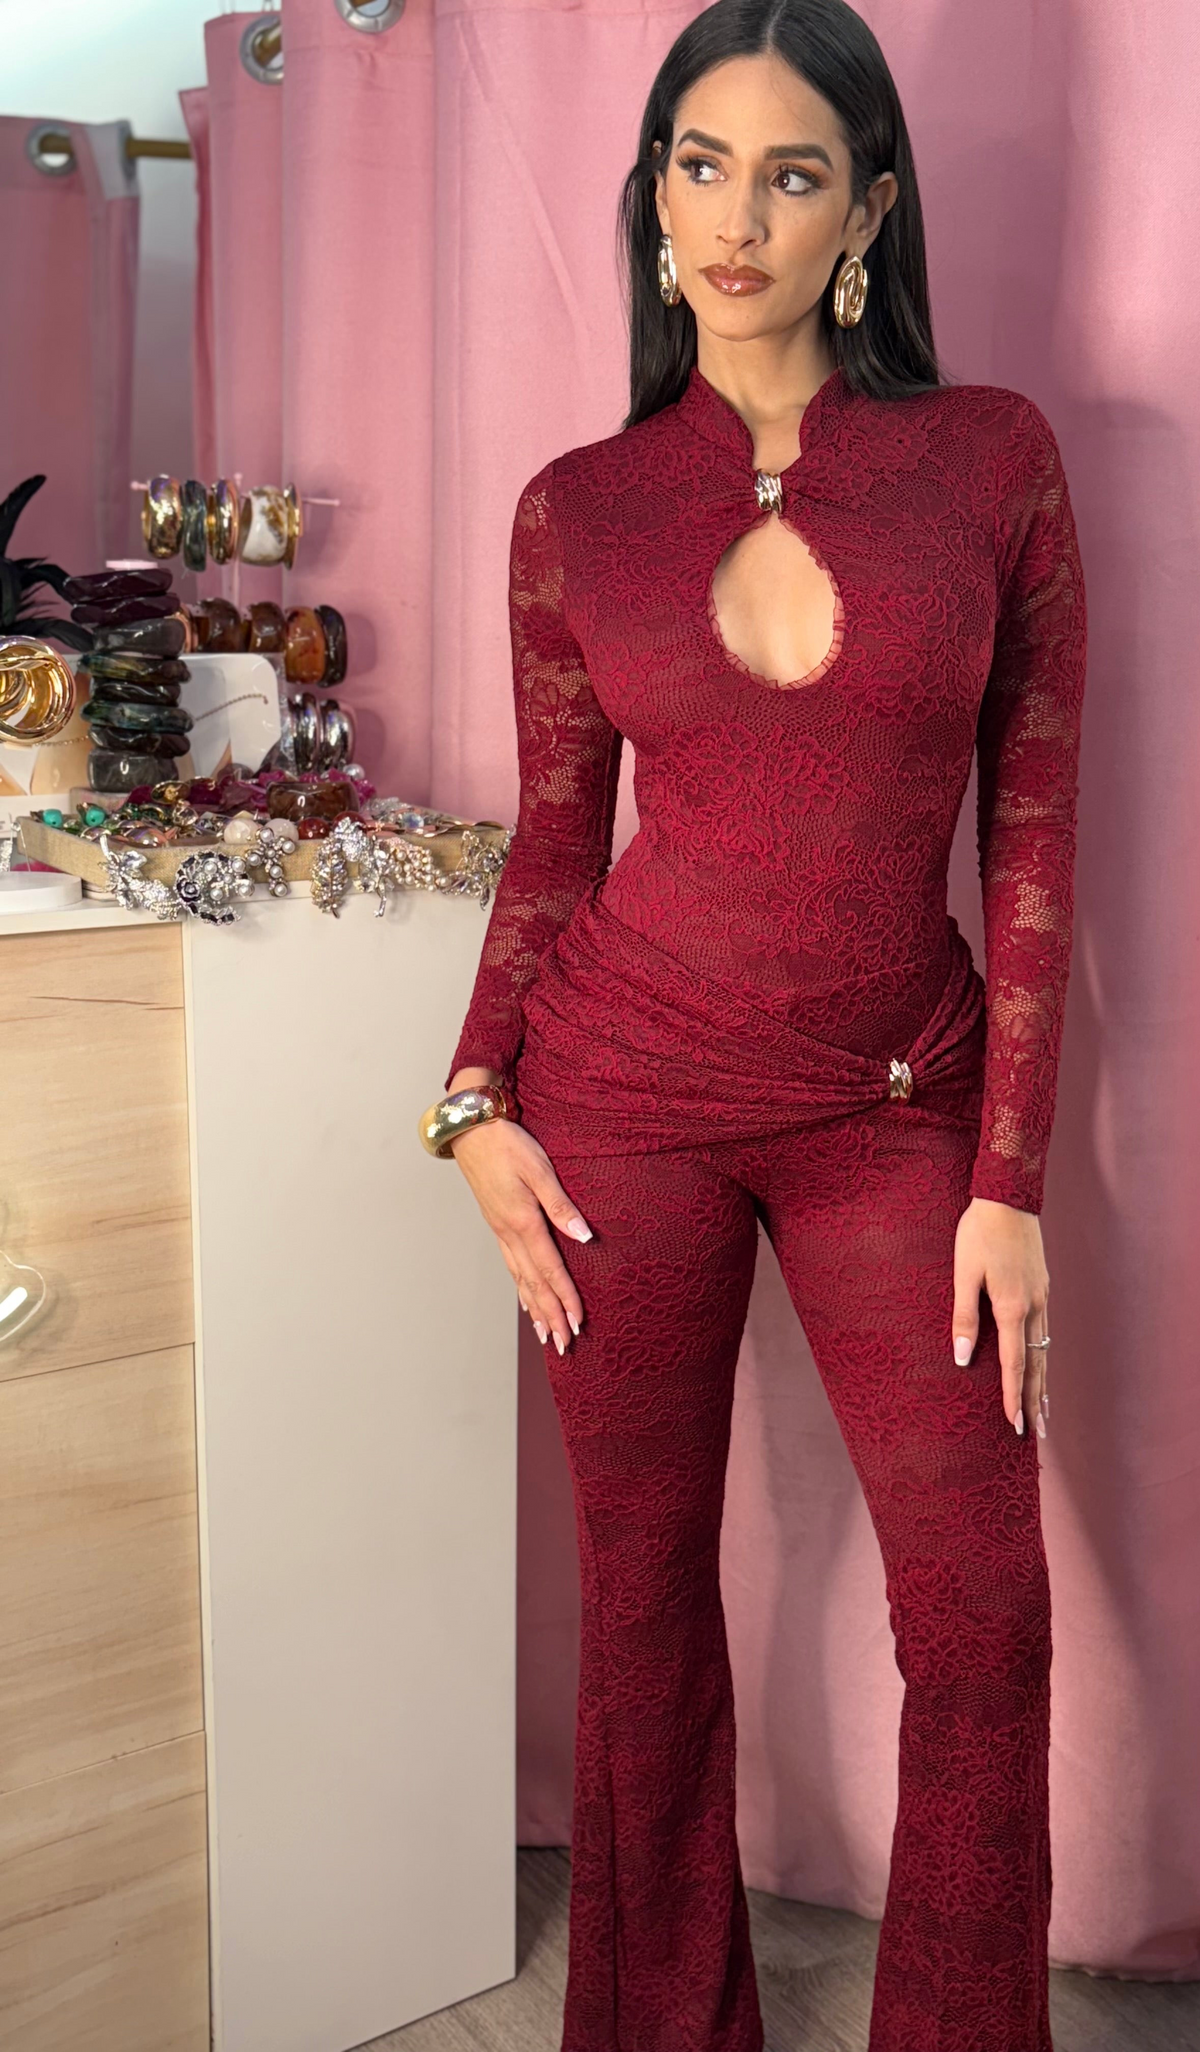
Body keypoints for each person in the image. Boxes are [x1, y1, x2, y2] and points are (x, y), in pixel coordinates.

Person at [417, 1, 1086, 2046]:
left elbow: (1038, 837)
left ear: (865, 211)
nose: (737, 219)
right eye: (699, 168)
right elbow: (555, 842)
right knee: (640, 1621)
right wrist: (470, 1101)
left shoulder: (991, 464)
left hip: (899, 1106)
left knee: (982, 1620)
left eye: (793, 175)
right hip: (618, 1104)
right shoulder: (579, 509)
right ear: (651, 201)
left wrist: (1008, 1180)